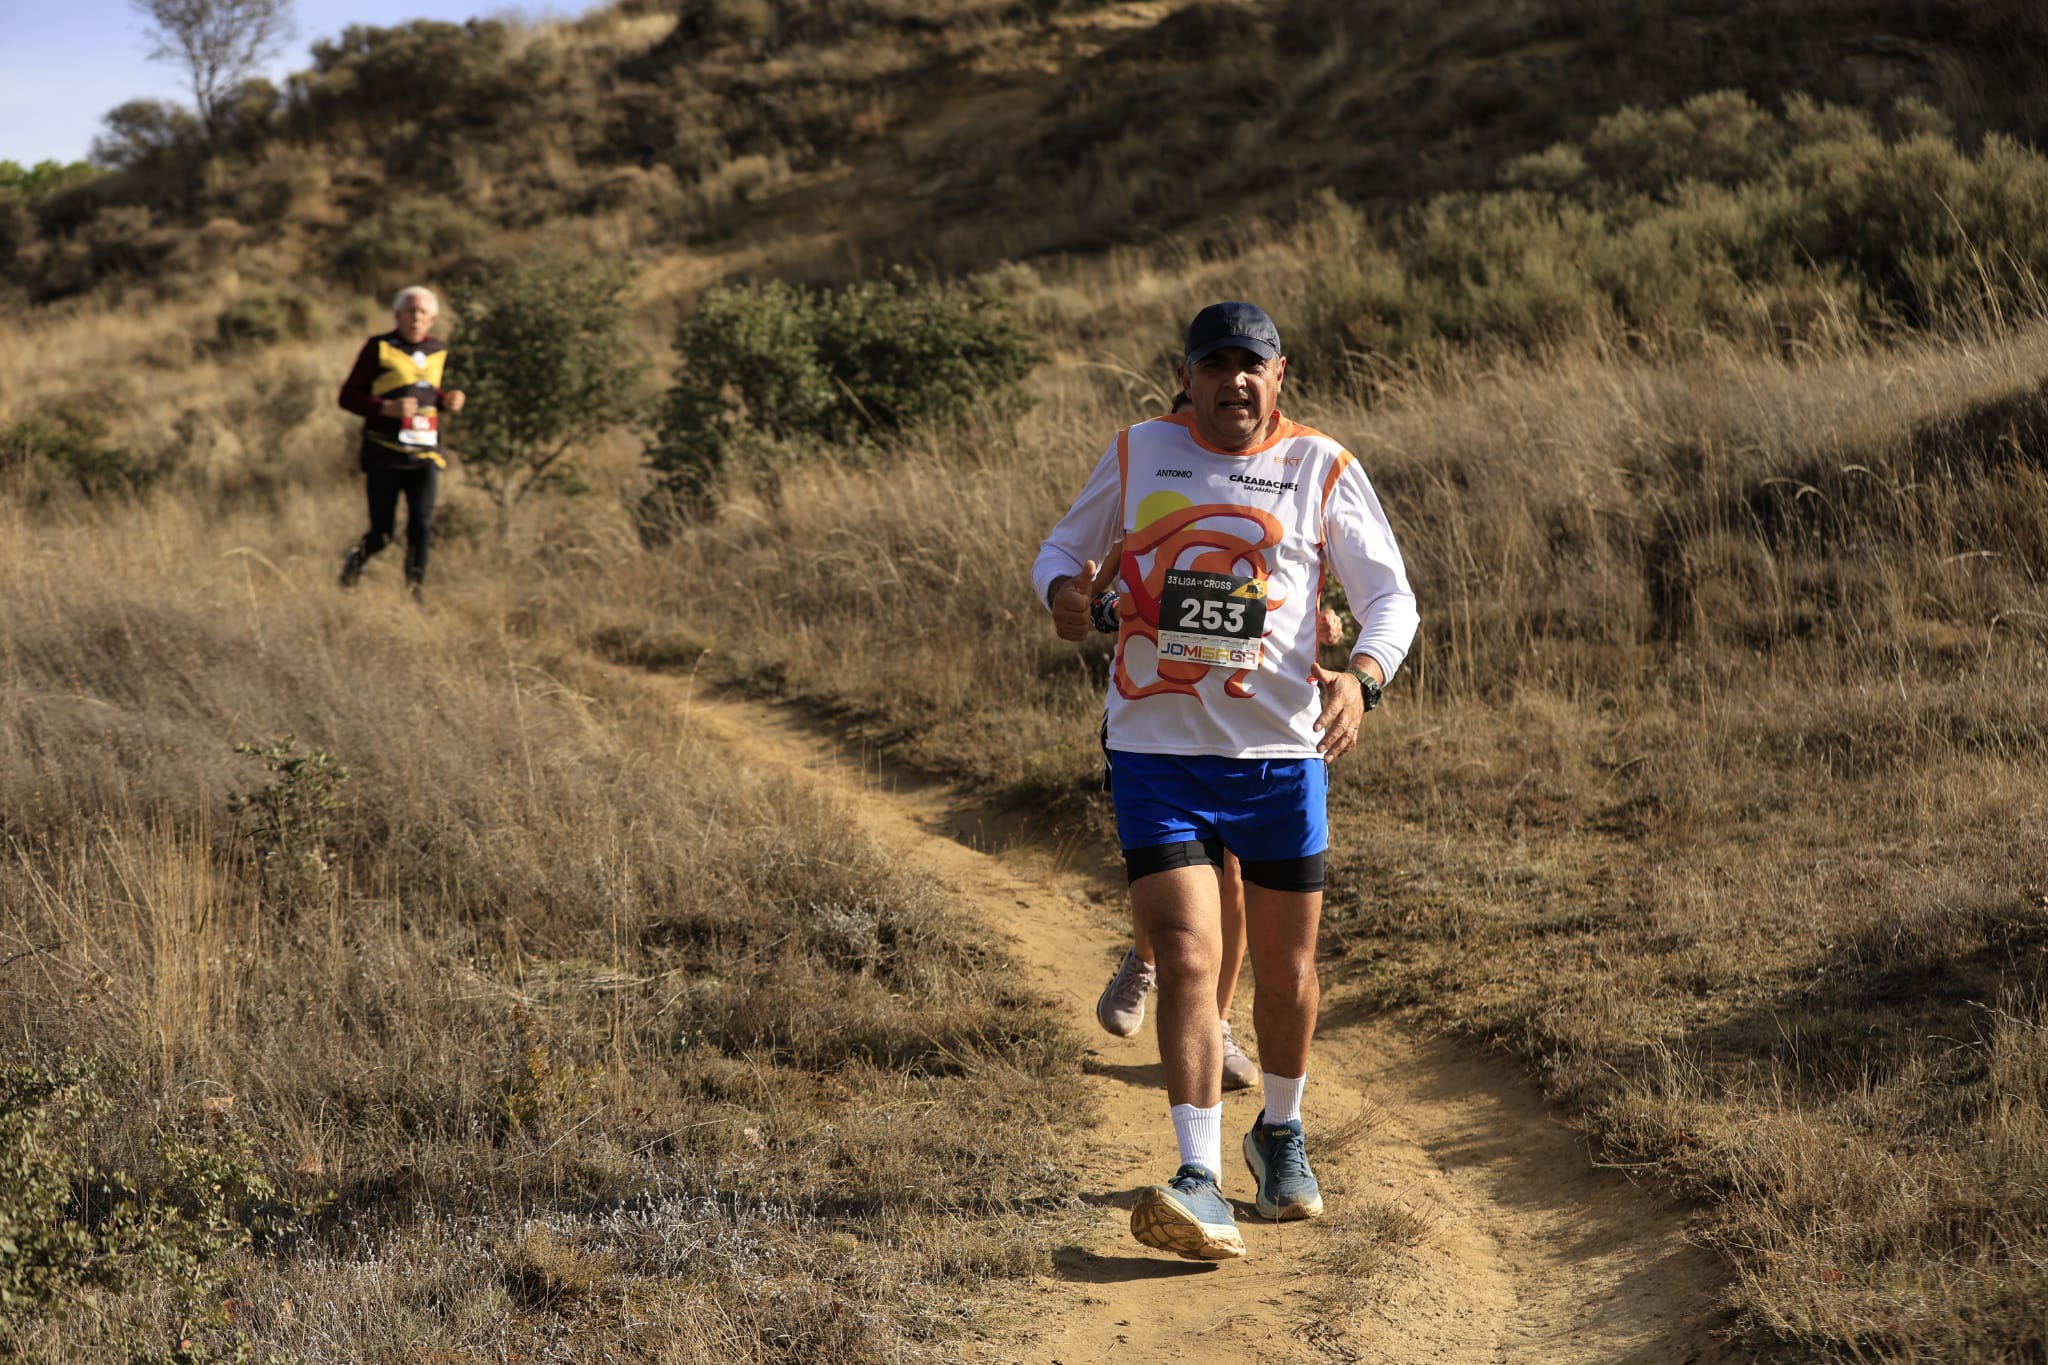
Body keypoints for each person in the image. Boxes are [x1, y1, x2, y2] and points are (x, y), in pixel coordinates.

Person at [1035, 302, 1417, 1260]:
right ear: (1190, 373)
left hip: (1280, 757)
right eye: (1218, 365)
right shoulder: (1138, 450)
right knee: (1189, 953)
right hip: (1155, 747)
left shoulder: (1321, 466)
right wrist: (1067, 595)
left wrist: (1361, 680)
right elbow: (1060, 550)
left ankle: (1278, 1131)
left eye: (1253, 366)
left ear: (1279, 375)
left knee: (1287, 971)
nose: (1235, 381)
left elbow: (1390, 599)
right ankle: (1198, 1173)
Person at [336, 286, 466, 596]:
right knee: (383, 534)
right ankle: (355, 563)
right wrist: (384, 408)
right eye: (410, 311)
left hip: (425, 454)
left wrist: (447, 400)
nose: (416, 317)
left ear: (432, 318)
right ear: (397, 315)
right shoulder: (378, 348)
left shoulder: (439, 350)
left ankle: (414, 594)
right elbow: (347, 397)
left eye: (422, 312)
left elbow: (428, 391)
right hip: (385, 452)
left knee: (421, 526)